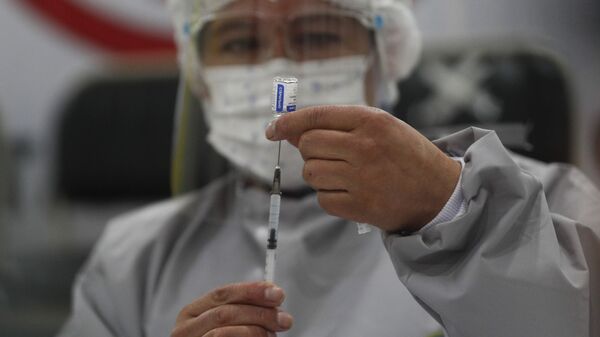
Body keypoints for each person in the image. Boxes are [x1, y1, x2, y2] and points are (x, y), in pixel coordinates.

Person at [58, 0, 600, 336]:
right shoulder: (135, 262)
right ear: (199, 75)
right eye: (241, 41)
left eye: (318, 35)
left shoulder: (541, 206)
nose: (278, 67)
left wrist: (454, 212)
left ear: (383, 58)